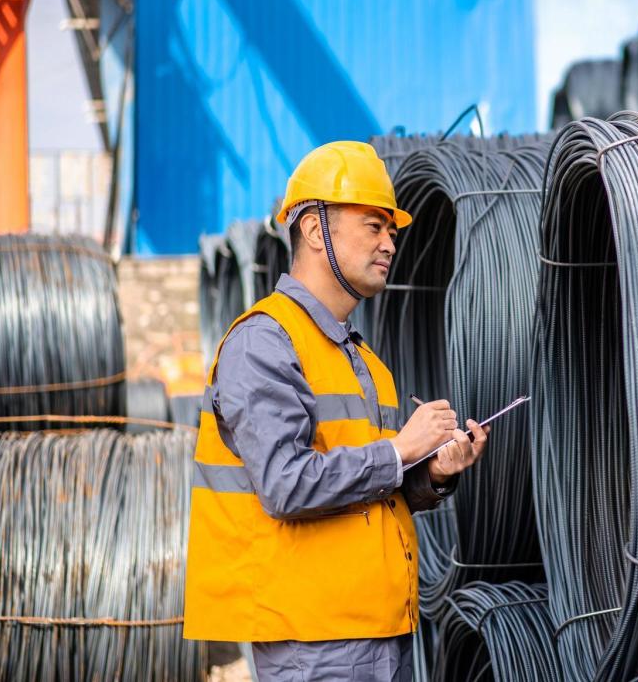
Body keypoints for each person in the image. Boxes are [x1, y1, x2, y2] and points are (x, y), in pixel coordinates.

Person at [183, 141, 487, 681]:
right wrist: (399, 449)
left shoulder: (363, 360)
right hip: (314, 642)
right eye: (373, 225)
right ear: (315, 230)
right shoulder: (266, 343)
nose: (390, 243)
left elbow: (372, 494)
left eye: (392, 231)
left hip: (380, 631)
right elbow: (287, 485)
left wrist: (432, 472)